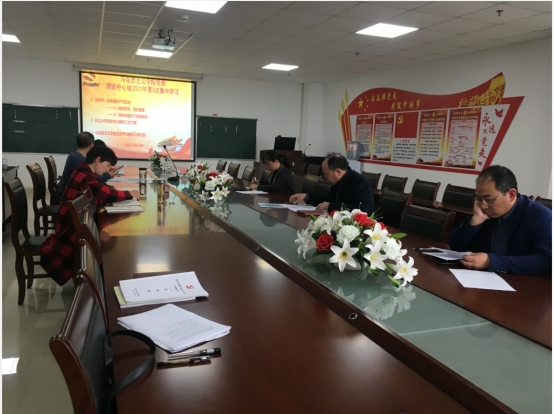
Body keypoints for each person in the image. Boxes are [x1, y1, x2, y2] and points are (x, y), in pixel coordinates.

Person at [41, 145, 138, 285]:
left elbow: (99, 188)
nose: (107, 170)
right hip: (69, 228)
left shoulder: (83, 170)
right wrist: (130, 194)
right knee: (109, 243)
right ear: (98, 160)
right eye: (107, 165)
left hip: (70, 221)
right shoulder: (85, 175)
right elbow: (105, 194)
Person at [448, 165, 551, 275]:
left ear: (511, 195)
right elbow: (455, 246)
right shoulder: (485, 213)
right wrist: (476, 220)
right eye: (479, 198)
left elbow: (546, 261)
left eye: (488, 200)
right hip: (484, 278)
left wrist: (491, 261)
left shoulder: (541, 216)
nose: (483, 205)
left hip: (522, 281)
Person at [289, 153, 375, 214]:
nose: (325, 177)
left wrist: (332, 206)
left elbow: (363, 209)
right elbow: (327, 201)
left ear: (338, 172)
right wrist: (306, 197)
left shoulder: (360, 183)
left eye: (327, 174)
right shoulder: (338, 182)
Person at [57, 132, 117, 196]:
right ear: (91, 145)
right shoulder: (78, 160)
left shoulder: (75, 155)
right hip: (66, 195)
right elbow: (91, 180)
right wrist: (108, 175)